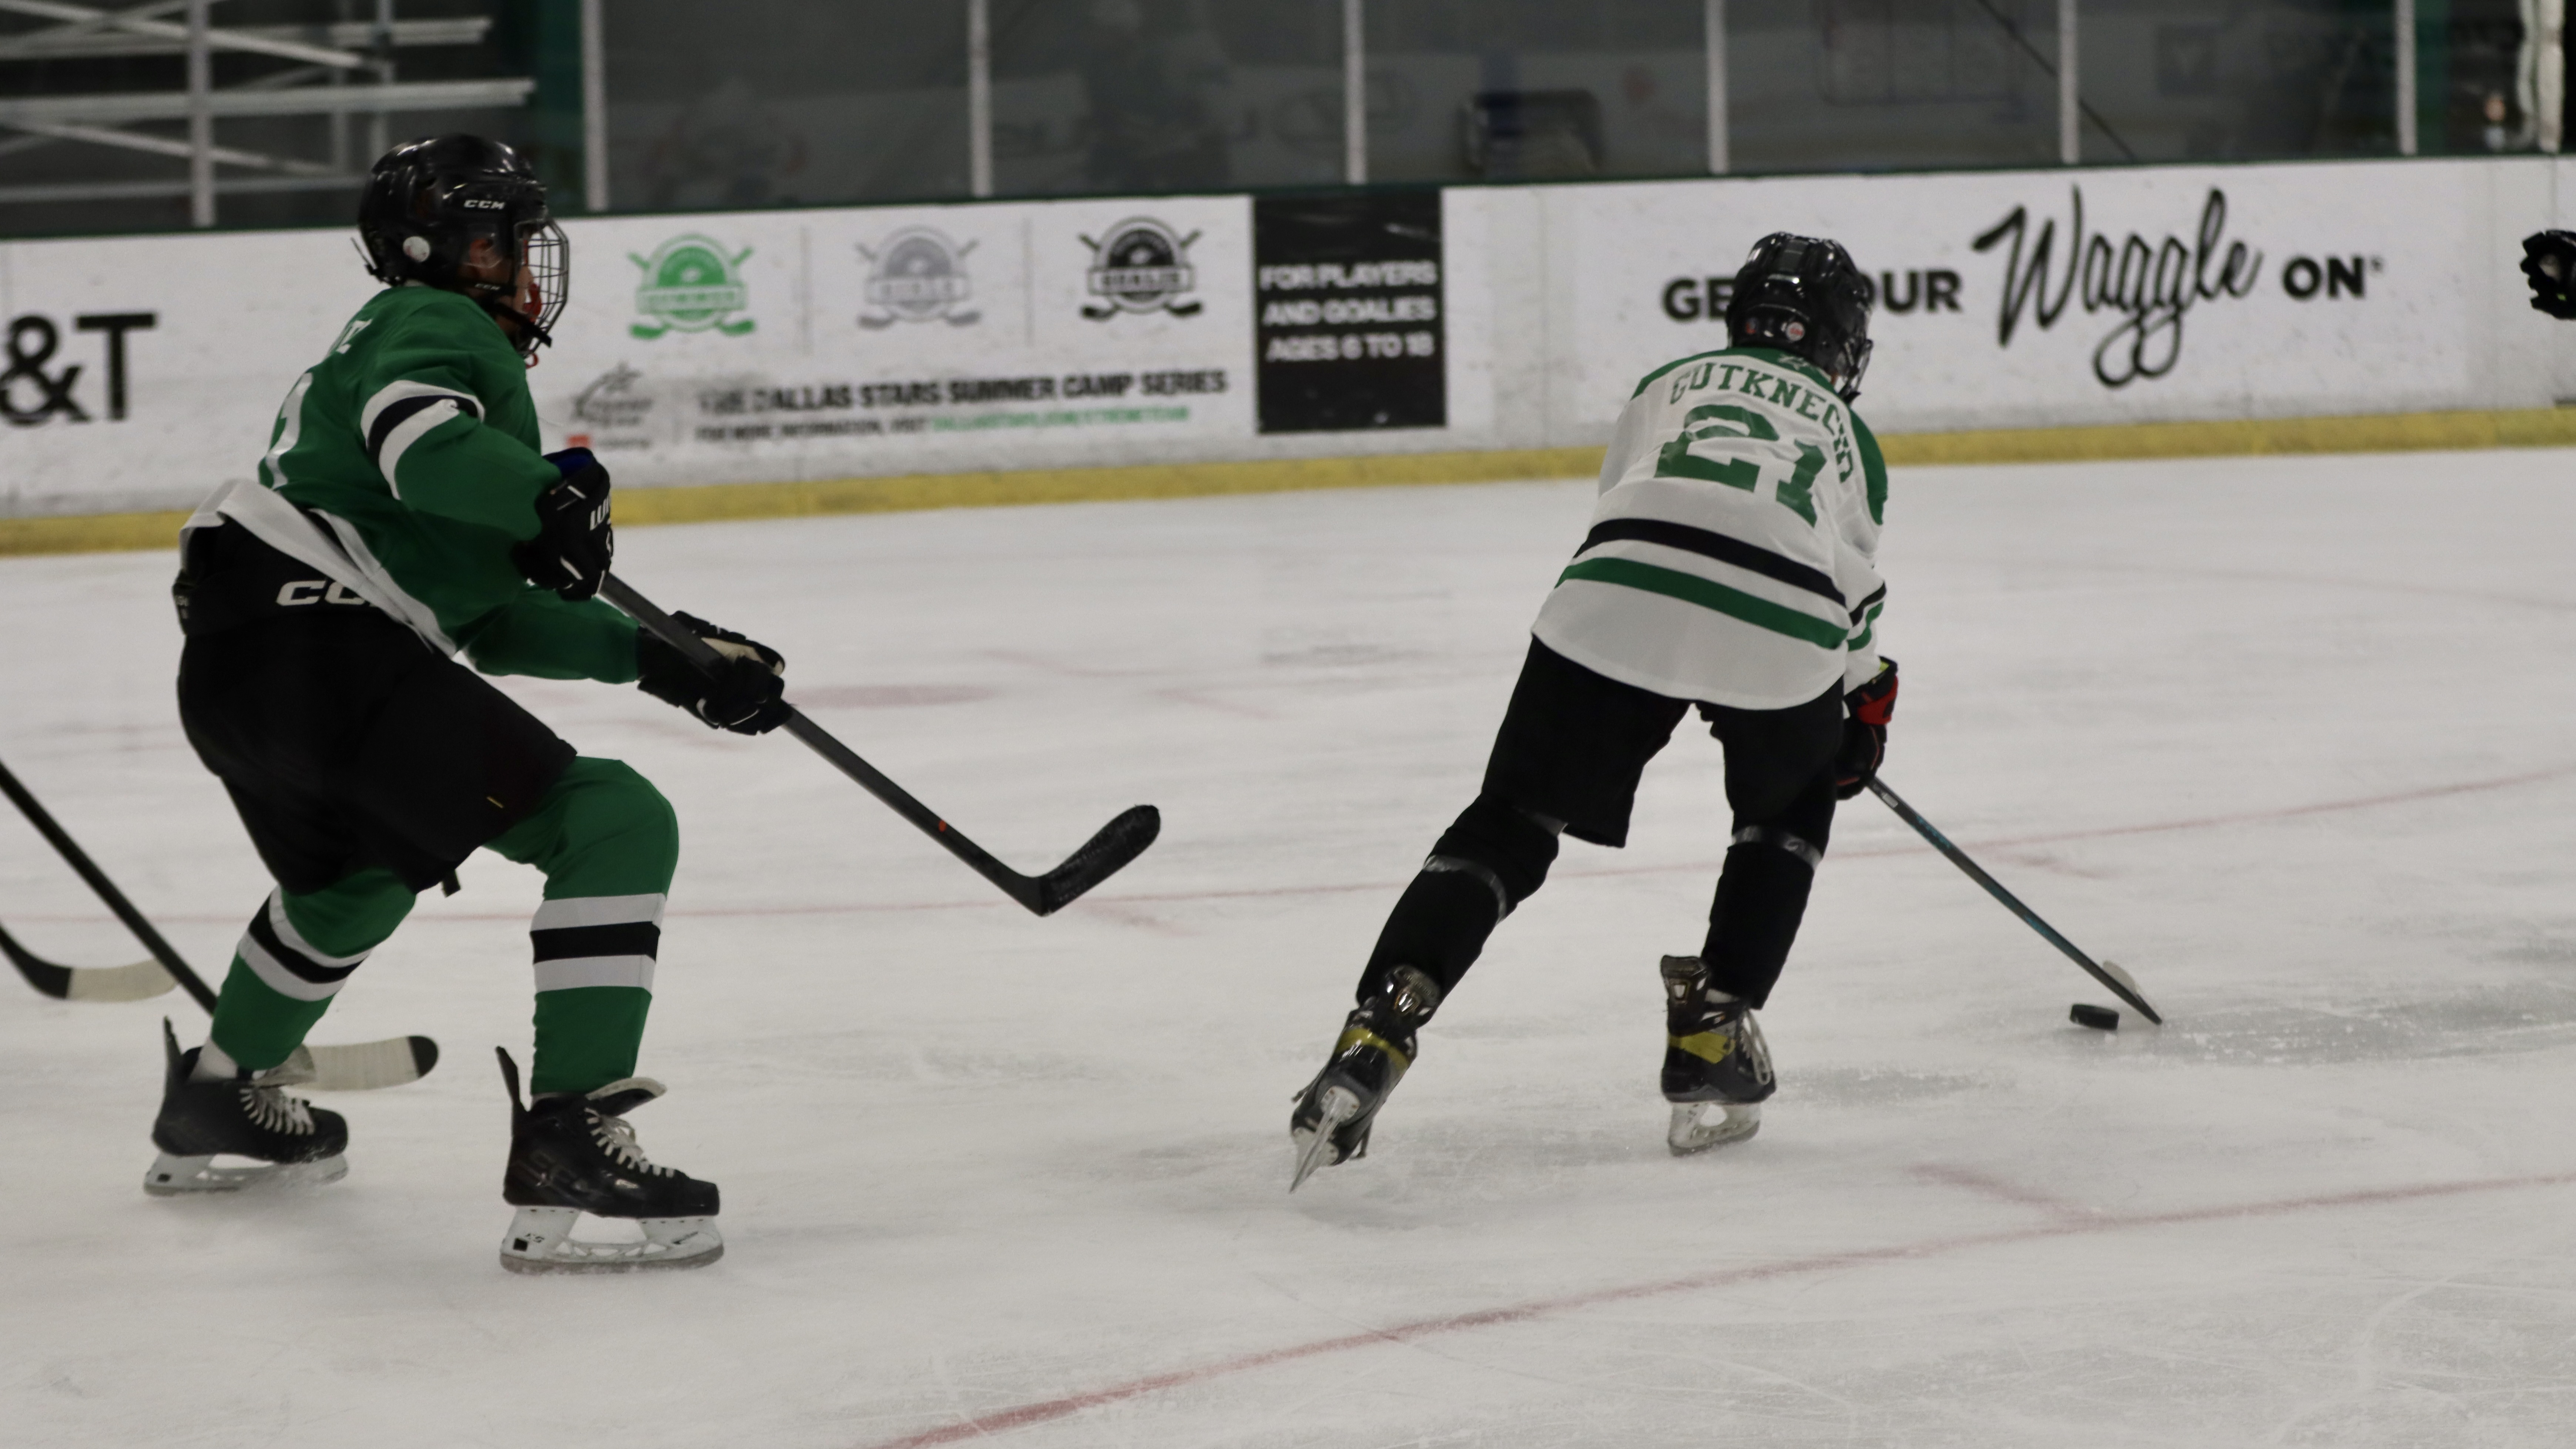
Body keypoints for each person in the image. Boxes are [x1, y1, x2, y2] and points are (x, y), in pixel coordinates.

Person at [145, 135, 792, 1274]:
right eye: (500, 242)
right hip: (323, 645)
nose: (523, 268)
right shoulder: (431, 322)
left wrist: (667, 660)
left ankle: (217, 1093)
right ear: (430, 249)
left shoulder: (407, 346)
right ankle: (570, 1134)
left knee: (351, 884)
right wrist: (546, 495)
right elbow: (427, 451)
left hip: (244, 666)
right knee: (612, 820)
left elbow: (489, 620)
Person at [1288, 234, 1895, 1187]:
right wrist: (1861, 708)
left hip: (1614, 597)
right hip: (1778, 626)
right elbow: (1850, 589)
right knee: (1786, 811)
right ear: (1836, 339)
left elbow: (1638, 502)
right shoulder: (1853, 436)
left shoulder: (1668, 382)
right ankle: (1711, 1034)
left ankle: (1382, 1025)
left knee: (1511, 822)